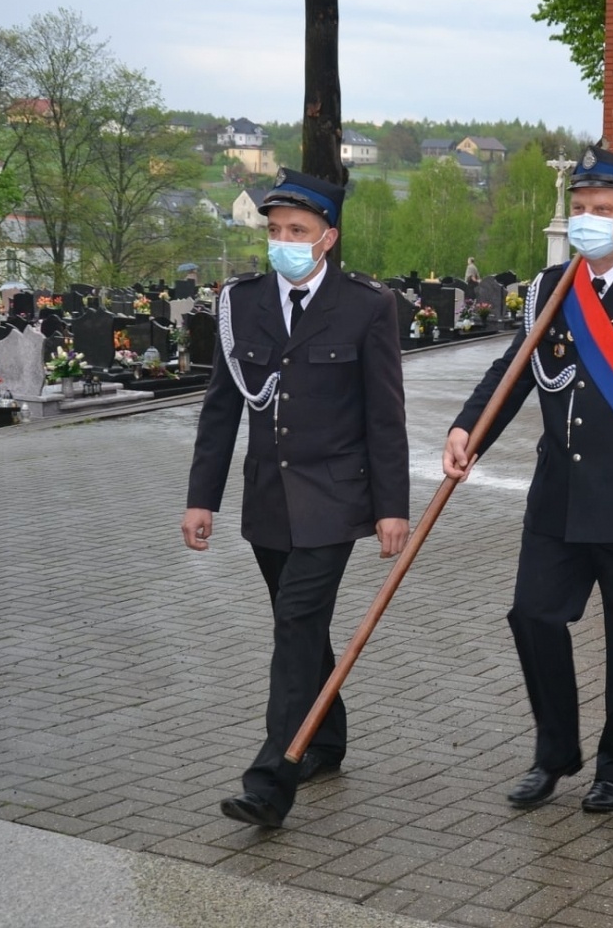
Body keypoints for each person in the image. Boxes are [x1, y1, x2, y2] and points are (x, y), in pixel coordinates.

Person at [442, 147, 613, 814]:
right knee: (532, 614)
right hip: (559, 496)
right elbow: (513, 370)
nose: (587, 220)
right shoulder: (552, 287)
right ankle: (555, 749)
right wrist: (467, 428)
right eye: (580, 209)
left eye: (602, 210)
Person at [183, 168, 412, 829]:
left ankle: (270, 778)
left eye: (298, 231)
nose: (283, 241)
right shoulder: (242, 301)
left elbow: (385, 417)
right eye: (275, 229)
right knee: (302, 628)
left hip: (335, 500)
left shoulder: (367, 306)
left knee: (294, 624)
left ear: (328, 237)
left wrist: (391, 506)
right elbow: (221, 409)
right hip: (268, 501)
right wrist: (203, 498)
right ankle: (328, 739)